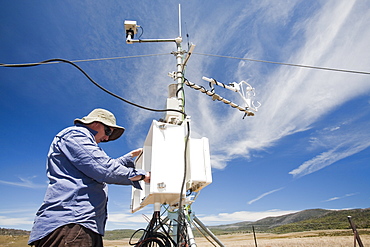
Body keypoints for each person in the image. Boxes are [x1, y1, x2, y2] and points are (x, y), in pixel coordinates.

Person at [28, 108, 150, 247]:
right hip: (71, 225)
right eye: (108, 132)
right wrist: (142, 175)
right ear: (96, 123)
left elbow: (98, 167)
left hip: (79, 226)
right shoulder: (75, 135)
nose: (106, 138)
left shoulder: (80, 140)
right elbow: (103, 168)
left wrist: (128, 158)